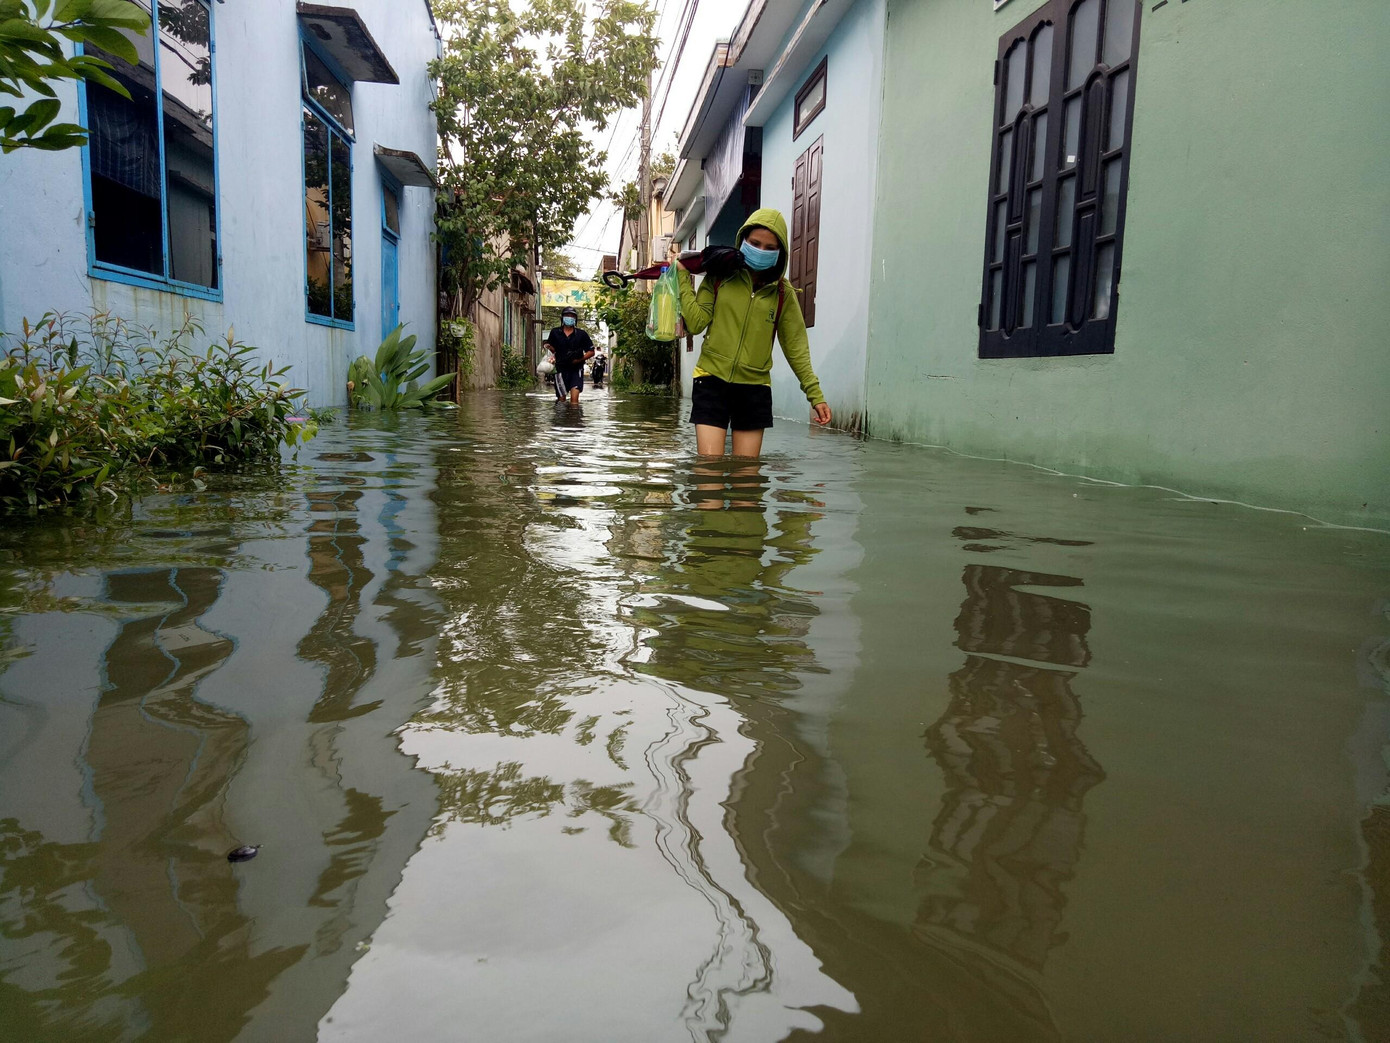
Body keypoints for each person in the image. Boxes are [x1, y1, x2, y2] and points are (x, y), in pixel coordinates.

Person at [675, 208, 831, 457]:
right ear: (743, 241)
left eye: (770, 248)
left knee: (746, 480)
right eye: (755, 243)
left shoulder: (782, 293)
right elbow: (695, 323)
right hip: (711, 380)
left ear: (781, 253)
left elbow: (796, 347)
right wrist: (683, 277)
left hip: (754, 388)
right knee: (708, 472)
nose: (761, 251)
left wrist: (815, 395)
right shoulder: (720, 276)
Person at [545, 306, 595, 404]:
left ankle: (574, 418)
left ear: (575, 319)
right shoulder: (555, 332)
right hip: (560, 369)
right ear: (562, 318)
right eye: (567, 315)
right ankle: (562, 418)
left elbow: (591, 351)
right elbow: (553, 349)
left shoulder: (581, 334)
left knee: (574, 400)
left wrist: (580, 360)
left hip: (576, 369)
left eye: (572, 316)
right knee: (561, 399)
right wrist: (549, 347)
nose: (569, 318)